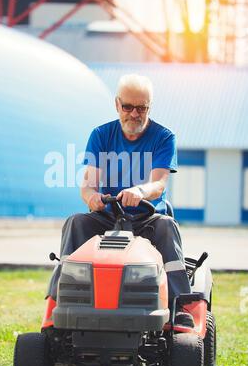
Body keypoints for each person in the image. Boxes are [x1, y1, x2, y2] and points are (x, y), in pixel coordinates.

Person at [45, 74, 192, 327]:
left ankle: (180, 307)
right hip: (110, 216)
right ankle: (57, 302)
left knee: (168, 227)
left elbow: (159, 184)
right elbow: (88, 185)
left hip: (148, 218)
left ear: (149, 107)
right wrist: (92, 198)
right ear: (117, 104)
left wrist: (140, 192)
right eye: (128, 107)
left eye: (141, 108)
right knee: (76, 222)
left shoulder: (164, 137)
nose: (134, 114)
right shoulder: (101, 135)